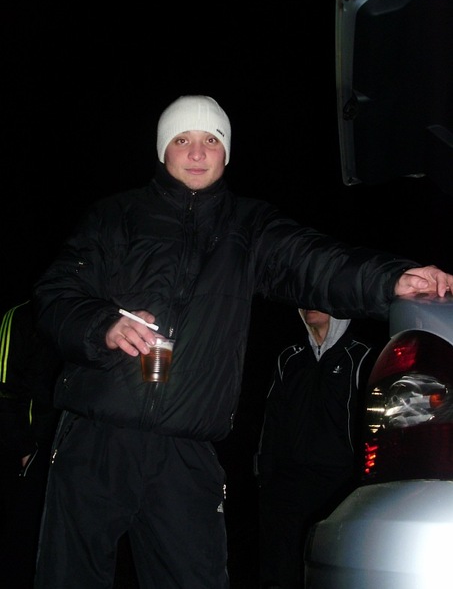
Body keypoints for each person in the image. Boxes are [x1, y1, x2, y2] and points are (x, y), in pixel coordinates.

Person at [31, 94, 453, 589]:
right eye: (182, 139)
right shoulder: (114, 216)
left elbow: (316, 262)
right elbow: (55, 296)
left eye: (210, 141)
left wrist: (393, 279)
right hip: (95, 435)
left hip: (187, 448)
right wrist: (102, 324)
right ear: (163, 150)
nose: (196, 152)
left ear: (226, 153)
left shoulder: (248, 226)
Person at [254, 309, 379, 589]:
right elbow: (271, 421)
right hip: (287, 487)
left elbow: (372, 427)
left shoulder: (362, 356)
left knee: (329, 573)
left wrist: (363, 483)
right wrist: (265, 476)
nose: (311, 303)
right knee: (281, 574)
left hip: (338, 487)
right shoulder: (289, 358)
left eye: (321, 297)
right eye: (307, 297)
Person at [0, 299, 61, 588]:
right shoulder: (22, 315)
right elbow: (4, 387)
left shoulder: (84, 312)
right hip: (33, 450)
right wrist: (24, 449)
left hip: (74, 453)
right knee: (21, 541)